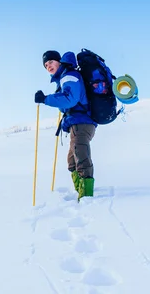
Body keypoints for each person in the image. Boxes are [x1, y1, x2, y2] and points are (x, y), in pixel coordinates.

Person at [35, 50, 97, 199]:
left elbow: (70, 99)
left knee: (81, 157)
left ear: (59, 61)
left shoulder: (69, 75)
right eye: (45, 65)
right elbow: (66, 103)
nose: (48, 66)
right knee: (72, 161)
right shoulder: (63, 79)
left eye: (50, 62)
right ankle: (80, 189)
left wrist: (46, 99)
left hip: (82, 122)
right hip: (76, 124)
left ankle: (86, 196)